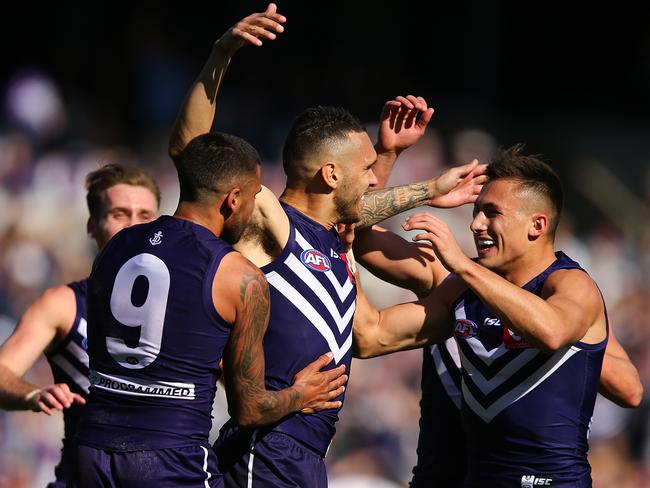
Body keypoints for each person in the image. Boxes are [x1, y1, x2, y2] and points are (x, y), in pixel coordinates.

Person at [168, 5, 487, 486]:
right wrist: (221, 54)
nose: (373, 177)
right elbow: (192, 149)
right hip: (264, 449)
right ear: (330, 174)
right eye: (366, 170)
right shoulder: (271, 223)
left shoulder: (334, 251)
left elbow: (374, 334)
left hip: (305, 458)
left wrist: (490, 285)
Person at [353, 145, 642, 487]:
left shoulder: (571, 286)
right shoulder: (456, 284)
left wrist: (582, 346)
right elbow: (371, 336)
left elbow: (617, 380)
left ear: (537, 224)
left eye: (491, 213)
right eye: (476, 211)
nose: (475, 225)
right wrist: (396, 163)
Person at [75, 132, 348, 487]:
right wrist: (301, 394)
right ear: (233, 199)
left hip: (91, 451)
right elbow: (249, 409)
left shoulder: (114, 248)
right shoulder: (239, 276)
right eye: (253, 196)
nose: (252, 210)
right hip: (171, 458)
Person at [0, 163, 161, 487]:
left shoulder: (184, 306)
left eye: (145, 216)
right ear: (92, 225)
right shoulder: (63, 304)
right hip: (86, 476)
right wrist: (32, 394)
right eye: (119, 214)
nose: (133, 226)